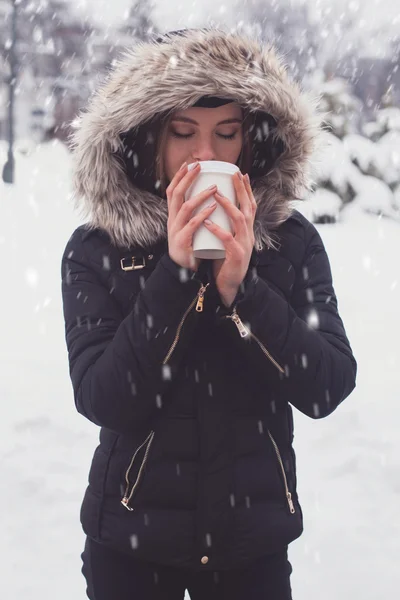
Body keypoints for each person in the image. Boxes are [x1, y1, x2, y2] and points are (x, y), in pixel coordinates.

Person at [61, 28, 357, 600]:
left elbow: (327, 385)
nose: (207, 156)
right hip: (130, 546)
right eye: (182, 133)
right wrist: (175, 275)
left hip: (252, 550)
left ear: (251, 141)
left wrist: (242, 289)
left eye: (227, 133)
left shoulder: (290, 245)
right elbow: (103, 397)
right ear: (147, 138)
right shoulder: (98, 249)